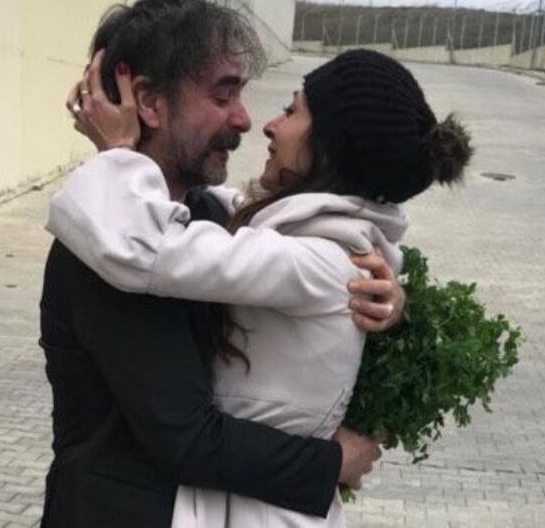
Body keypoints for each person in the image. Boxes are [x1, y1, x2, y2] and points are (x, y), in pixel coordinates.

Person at [50, 38, 473, 527]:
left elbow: (157, 250)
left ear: (329, 148)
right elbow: (229, 214)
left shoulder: (320, 261)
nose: (267, 124)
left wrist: (118, 156)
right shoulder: (320, 245)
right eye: (223, 96)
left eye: (291, 111)